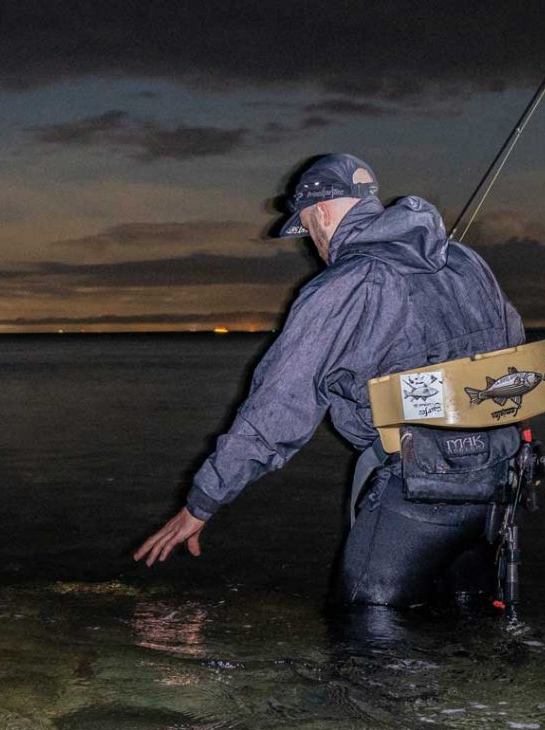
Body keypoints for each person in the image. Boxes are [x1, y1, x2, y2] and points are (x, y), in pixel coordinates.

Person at [134, 154, 525, 608]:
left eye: (306, 229)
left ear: (320, 212)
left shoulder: (344, 284)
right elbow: (513, 356)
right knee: (467, 639)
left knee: (366, 647)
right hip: (496, 484)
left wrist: (202, 502)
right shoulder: (465, 260)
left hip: (415, 497)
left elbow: (277, 408)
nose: (314, 246)